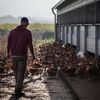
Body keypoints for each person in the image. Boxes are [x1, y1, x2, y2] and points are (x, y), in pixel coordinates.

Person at [7, 17, 35, 96]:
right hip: (22, 56)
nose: (28, 24)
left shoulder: (12, 32)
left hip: (14, 55)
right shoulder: (27, 32)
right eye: (28, 23)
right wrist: (33, 54)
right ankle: (17, 90)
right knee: (20, 74)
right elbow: (30, 44)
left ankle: (18, 87)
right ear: (25, 22)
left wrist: (8, 53)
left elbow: (8, 44)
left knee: (16, 73)